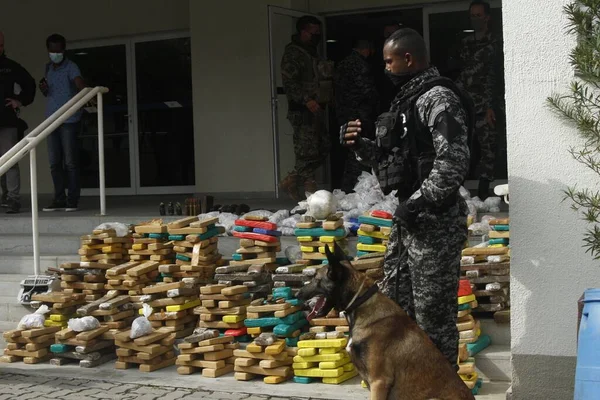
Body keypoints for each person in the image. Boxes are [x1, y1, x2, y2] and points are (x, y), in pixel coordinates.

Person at [341, 28, 472, 370]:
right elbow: (394, 162)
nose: (384, 68)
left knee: (433, 317)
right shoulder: (407, 102)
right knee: (399, 308)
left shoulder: (438, 98)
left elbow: (453, 160)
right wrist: (360, 147)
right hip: (409, 223)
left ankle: (441, 390)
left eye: (388, 61)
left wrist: (420, 202)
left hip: (435, 223)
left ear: (408, 59)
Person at [279, 15, 331, 201]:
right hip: (302, 111)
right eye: (313, 32)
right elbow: (290, 83)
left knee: (323, 147)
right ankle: (310, 192)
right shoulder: (293, 53)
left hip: (317, 109)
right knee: (306, 151)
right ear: (302, 31)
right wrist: (306, 100)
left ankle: (291, 180)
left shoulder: (311, 52)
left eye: (318, 32)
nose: (317, 35)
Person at [456, 0, 501, 199]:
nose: (475, 19)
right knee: (462, 149)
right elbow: (460, 73)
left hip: (486, 106)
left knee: (488, 150)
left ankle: (483, 194)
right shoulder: (465, 43)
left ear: (487, 18)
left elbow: (495, 76)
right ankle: (460, 192)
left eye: (478, 15)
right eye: (472, 16)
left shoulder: (495, 42)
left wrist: (492, 106)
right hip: (466, 106)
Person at [40, 34, 86, 212]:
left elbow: (79, 83)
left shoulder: (71, 66)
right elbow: (50, 92)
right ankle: (59, 199)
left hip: (69, 120)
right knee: (54, 162)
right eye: (52, 50)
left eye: (58, 50)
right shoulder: (48, 68)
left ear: (64, 50)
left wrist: (86, 92)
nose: (55, 53)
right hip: (51, 120)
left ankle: (72, 200)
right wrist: (44, 89)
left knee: (70, 162)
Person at [333, 39, 378, 193]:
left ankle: (348, 187)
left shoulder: (343, 64)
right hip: (359, 115)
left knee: (350, 151)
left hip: (344, 114)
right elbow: (368, 91)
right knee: (358, 152)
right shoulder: (360, 65)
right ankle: (352, 188)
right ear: (367, 49)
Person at [0, 31, 36, 214]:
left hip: (7, 121)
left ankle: (13, 199)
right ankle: (4, 195)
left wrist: (20, 101)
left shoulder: (10, 67)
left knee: (10, 161)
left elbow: (30, 84)